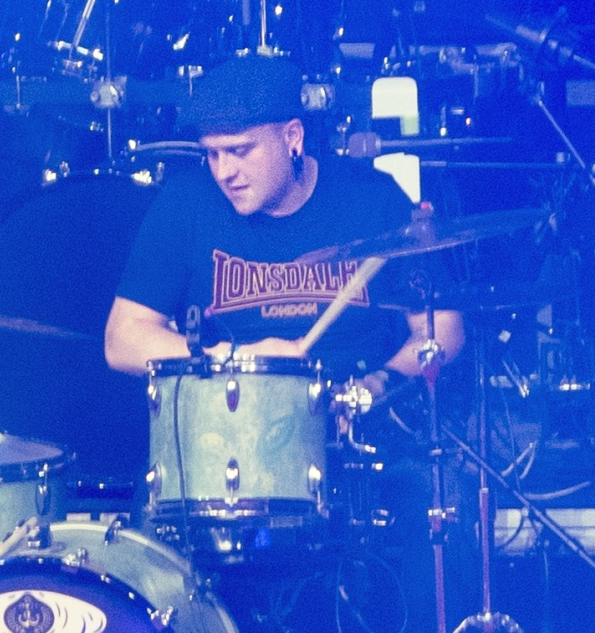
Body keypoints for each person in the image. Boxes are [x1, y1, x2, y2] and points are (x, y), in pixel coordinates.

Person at [104, 51, 464, 393]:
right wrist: (236, 358)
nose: (224, 172)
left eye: (239, 151)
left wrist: (381, 383)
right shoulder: (187, 202)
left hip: (361, 419)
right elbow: (122, 340)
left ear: (292, 137)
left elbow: (443, 328)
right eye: (212, 154)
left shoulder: (372, 198)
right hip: (229, 417)